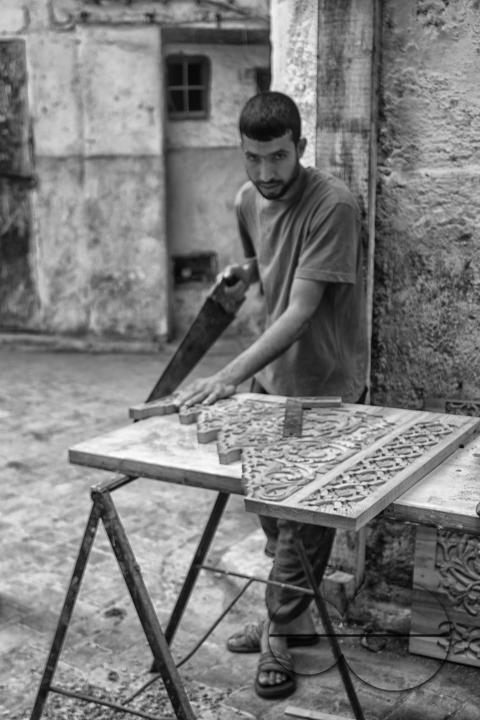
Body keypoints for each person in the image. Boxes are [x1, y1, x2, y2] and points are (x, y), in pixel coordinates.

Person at [175, 91, 368, 699]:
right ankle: (297, 622)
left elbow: (302, 312)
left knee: (301, 527)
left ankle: (279, 639)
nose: (266, 174)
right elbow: (266, 261)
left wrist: (227, 375)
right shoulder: (246, 198)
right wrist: (244, 273)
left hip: (325, 388)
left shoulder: (333, 203)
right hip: (271, 385)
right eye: (253, 159)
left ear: (301, 149)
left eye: (278, 158)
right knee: (267, 511)